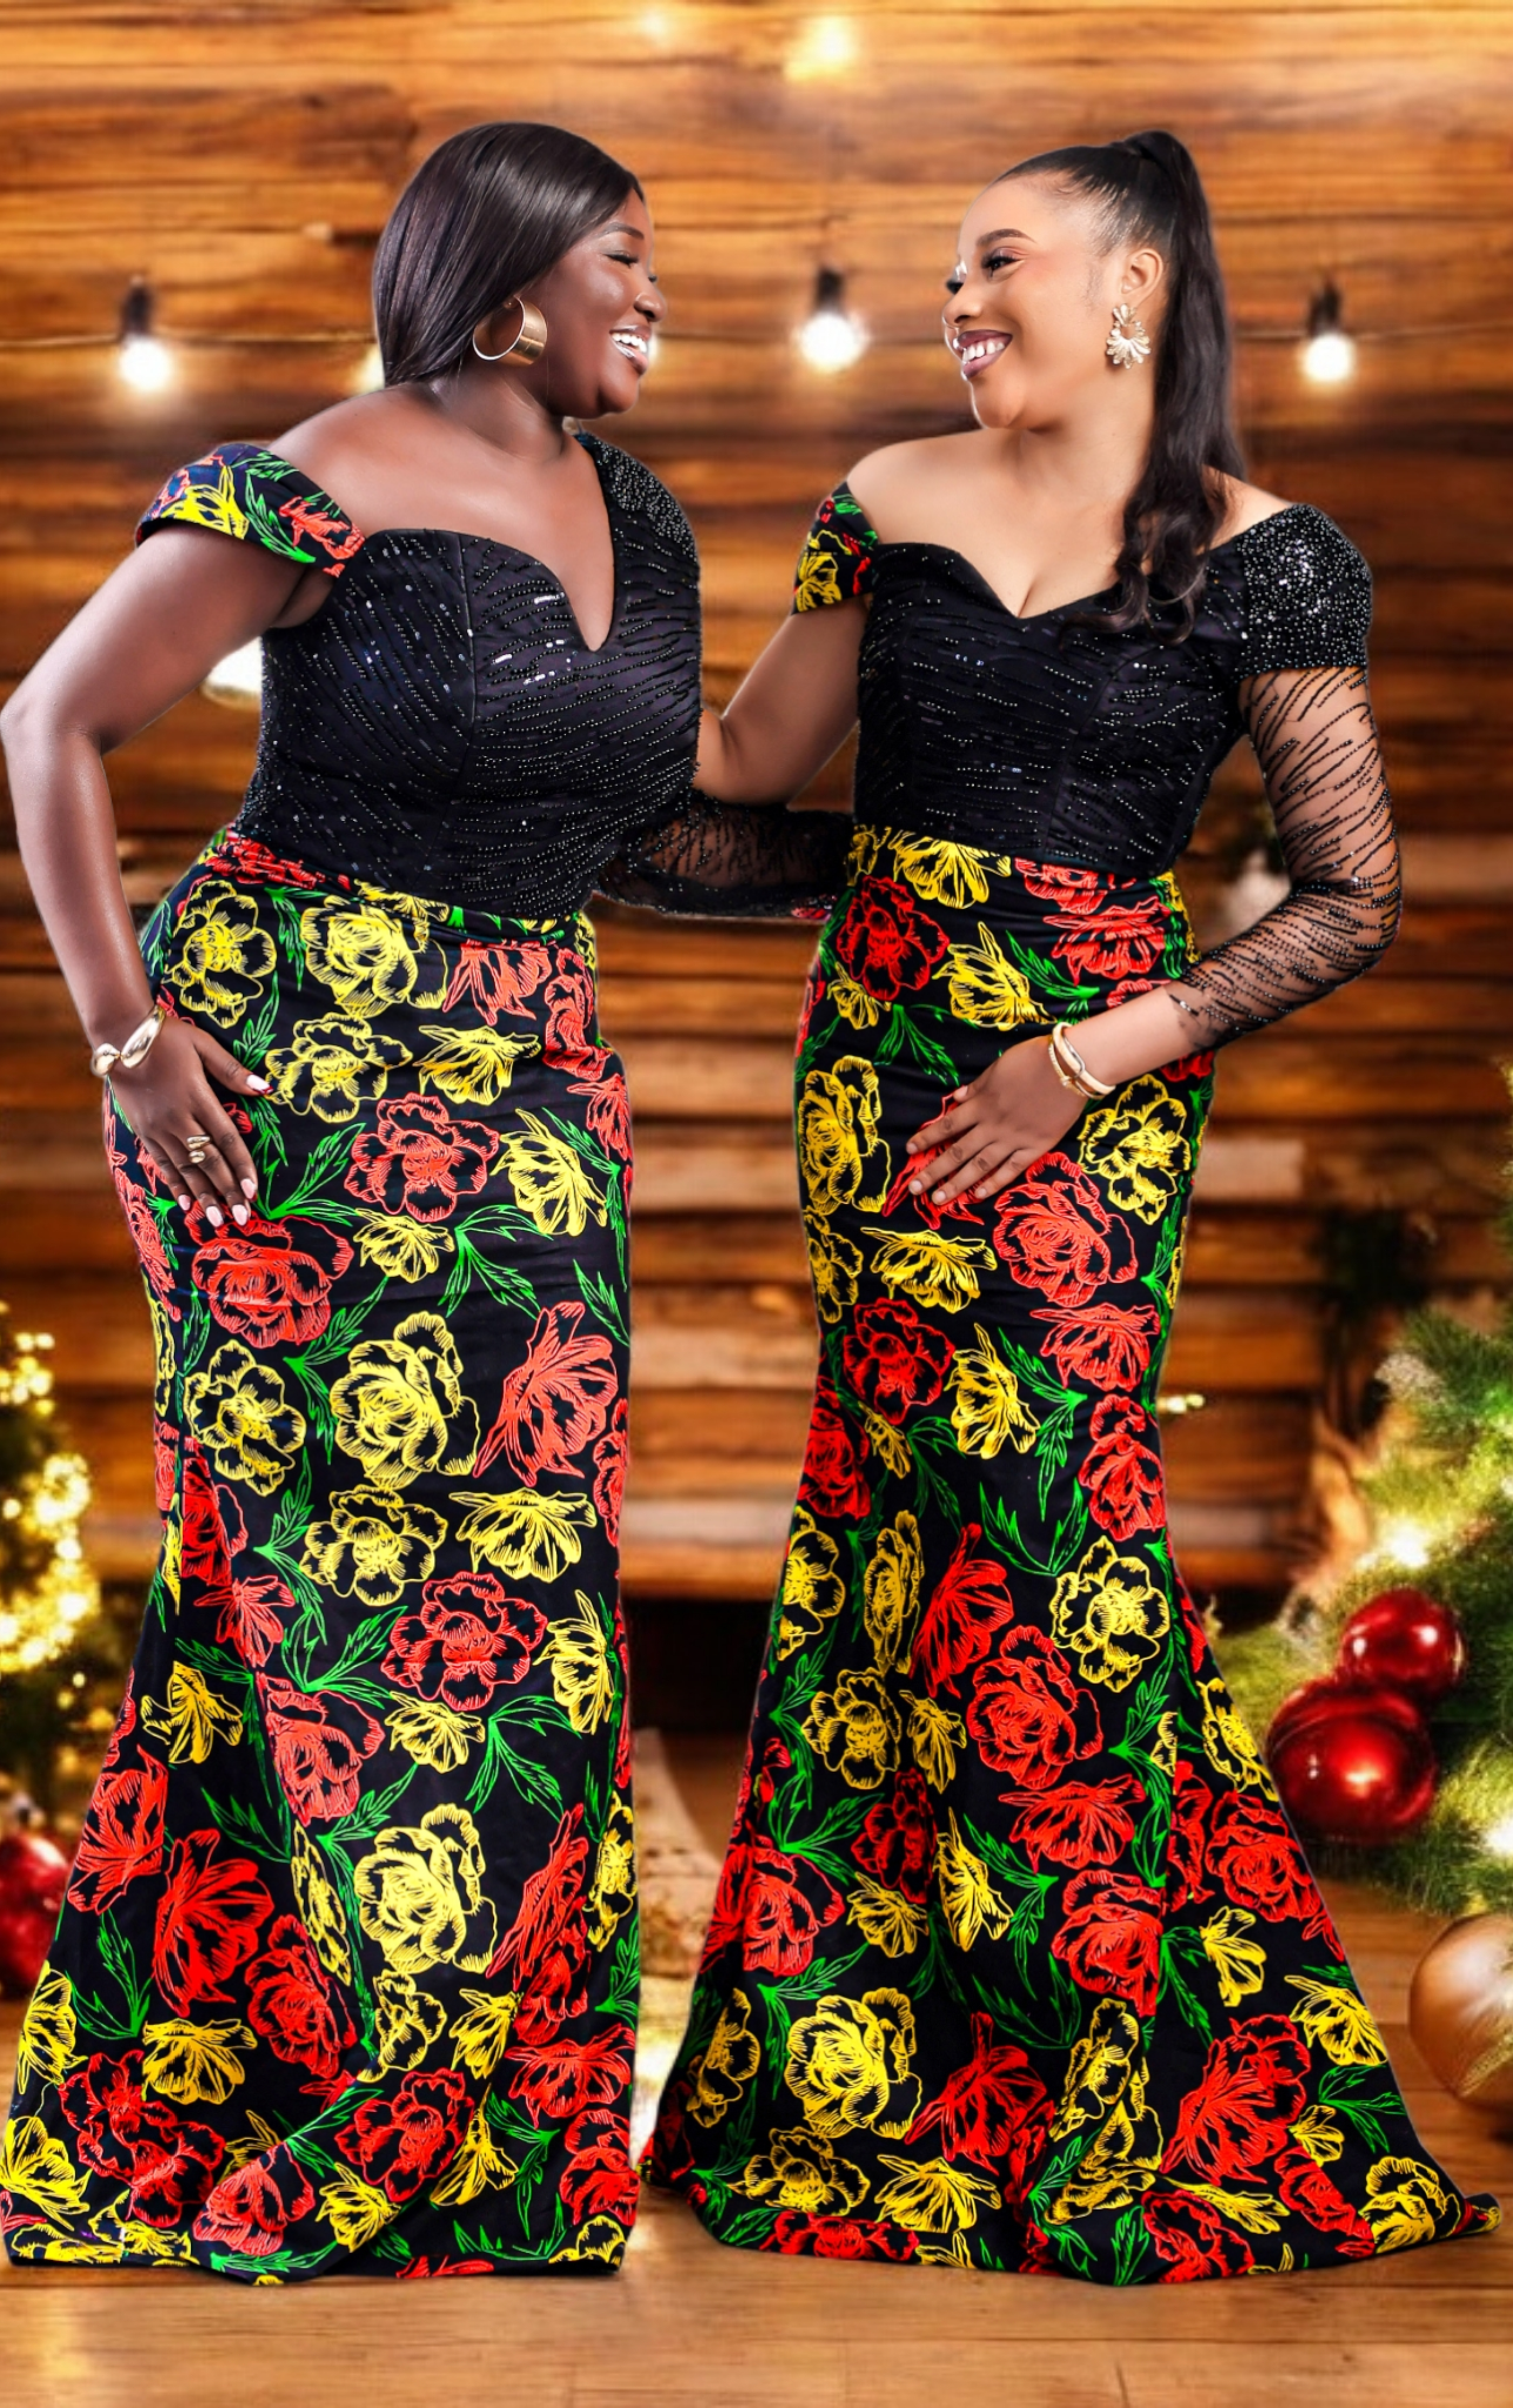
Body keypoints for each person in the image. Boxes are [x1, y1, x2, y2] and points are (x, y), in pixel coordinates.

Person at [0, 119, 842, 2285]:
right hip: (265, 1063)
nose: (660, 297)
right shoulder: (312, 477)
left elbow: (644, 832)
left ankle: (412, 2101)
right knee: (331, 1585)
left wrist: (944, 877)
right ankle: (341, 2095)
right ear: (506, 283)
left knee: (525, 1587)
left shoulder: (645, 518)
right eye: (630, 261)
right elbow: (51, 722)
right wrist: (121, 1033)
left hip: (532, 1078)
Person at [648, 130, 1499, 2280]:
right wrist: (513, 725)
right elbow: (749, 785)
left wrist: (1086, 1053)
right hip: (886, 1074)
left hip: (1092, 1094)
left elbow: (1351, 896)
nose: (960, 299)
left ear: (1135, 287)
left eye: (996, 262)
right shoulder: (890, 499)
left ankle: (1115, 2078)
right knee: (890, 1538)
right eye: (949, 270)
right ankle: (862, 2092)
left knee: (1053, 1550)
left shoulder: (1272, 556)